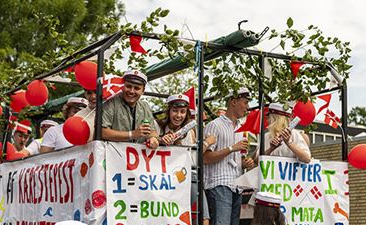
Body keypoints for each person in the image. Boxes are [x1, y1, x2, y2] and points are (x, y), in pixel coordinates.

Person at [157, 94, 216, 225]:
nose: (178, 115)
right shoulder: (159, 127)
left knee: (203, 216)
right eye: (175, 111)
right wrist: (161, 140)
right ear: (168, 111)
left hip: (188, 176)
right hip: (164, 179)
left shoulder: (191, 131)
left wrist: (205, 143)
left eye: (182, 112)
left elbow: (194, 157)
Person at [203, 87, 255, 225]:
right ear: (233, 102)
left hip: (237, 184)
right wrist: (232, 148)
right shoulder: (214, 125)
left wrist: (244, 163)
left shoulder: (240, 128)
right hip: (219, 184)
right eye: (245, 102)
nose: (247, 107)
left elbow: (234, 158)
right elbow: (205, 158)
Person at [76, 69, 159, 149]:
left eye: (137, 88)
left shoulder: (145, 106)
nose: (132, 91)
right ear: (122, 86)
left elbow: (152, 131)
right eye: (128, 86)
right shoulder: (110, 101)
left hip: (136, 159)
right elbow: (102, 132)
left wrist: (153, 138)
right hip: (110, 157)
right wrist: (132, 134)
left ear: (143, 91)